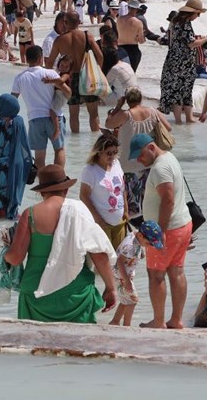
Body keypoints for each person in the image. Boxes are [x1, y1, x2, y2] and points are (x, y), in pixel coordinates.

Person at [3, 164, 117, 323]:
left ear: (41, 192)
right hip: (75, 293)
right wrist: (111, 288)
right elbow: (98, 253)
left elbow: (15, 258)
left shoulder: (29, 214)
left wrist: (6, 250)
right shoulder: (79, 211)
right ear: (66, 189)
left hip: (36, 295)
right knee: (78, 345)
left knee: (35, 345)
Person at [129, 133, 192, 329]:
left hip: (168, 229)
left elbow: (168, 199)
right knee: (177, 271)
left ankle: (158, 322)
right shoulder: (170, 158)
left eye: (139, 155)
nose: (138, 160)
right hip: (182, 224)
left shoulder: (159, 168)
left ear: (150, 147)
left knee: (156, 275)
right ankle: (176, 319)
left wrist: (161, 231)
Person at [106, 88, 172, 221]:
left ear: (127, 100)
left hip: (128, 167)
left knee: (131, 210)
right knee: (150, 205)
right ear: (141, 98)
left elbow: (108, 123)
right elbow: (168, 127)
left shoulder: (126, 115)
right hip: (149, 164)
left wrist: (118, 106)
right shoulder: (152, 111)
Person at [46, 12, 103, 133]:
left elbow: (50, 62)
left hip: (70, 79)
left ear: (65, 23)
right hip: (87, 76)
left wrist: (54, 80)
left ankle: (75, 144)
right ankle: (96, 142)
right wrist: (98, 73)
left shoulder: (59, 40)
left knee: (73, 114)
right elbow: (100, 56)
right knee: (93, 114)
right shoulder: (88, 37)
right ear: (79, 22)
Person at [159, 0, 207, 124]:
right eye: (197, 14)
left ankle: (186, 118)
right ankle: (182, 120)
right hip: (183, 62)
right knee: (184, 90)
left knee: (182, 89)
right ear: (191, 13)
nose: (198, 16)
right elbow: (191, 43)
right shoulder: (185, 24)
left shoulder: (176, 22)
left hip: (175, 60)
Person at [12, 46, 63, 169]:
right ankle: (58, 179)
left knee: (39, 156)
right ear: (41, 58)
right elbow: (64, 93)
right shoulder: (50, 74)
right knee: (59, 150)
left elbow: (12, 101)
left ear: (27, 59)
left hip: (35, 119)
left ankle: (43, 184)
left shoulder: (19, 78)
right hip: (54, 117)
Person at [0, 93, 33, 219]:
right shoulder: (18, 122)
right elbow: (24, 146)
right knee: (12, 200)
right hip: (14, 166)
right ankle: (12, 223)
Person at [79, 133, 128, 250]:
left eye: (115, 153)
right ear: (99, 152)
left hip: (120, 222)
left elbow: (122, 188)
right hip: (102, 223)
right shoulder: (90, 170)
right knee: (104, 261)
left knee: (120, 260)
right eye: (108, 153)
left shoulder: (117, 164)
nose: (112, 157)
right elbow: (83, 196)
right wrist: (97, 219)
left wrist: (126, 210)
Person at [110, 221, 159, 326]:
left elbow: (137, 247)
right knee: (133, 300)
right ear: (141, 236)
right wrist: (127, 281)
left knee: (125, 301)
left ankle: (115, 322)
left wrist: (141, 252)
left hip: (122, 275)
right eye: (148, 243)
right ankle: (127, 325)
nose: (149, 246)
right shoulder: (130, 246)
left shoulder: (136, 235)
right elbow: (119, 262)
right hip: (121, 276)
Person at [116, 0, 145, 72]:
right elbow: (141, 41)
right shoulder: (138, 22)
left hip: (120, 48)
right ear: (136, 9)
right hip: (133, 50)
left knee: (121, 73)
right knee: (131, 73)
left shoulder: (119, 19)